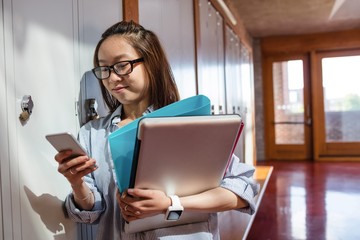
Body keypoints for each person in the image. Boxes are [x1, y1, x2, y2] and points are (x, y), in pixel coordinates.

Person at [55, 20, 259, 239]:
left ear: (151, 63)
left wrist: (171, 203)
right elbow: (91, 212)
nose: (112, 78)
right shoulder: (91, 134)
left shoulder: (188, 123)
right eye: (104, 69)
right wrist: (76, 183)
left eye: (122, 65)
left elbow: (242, 189)